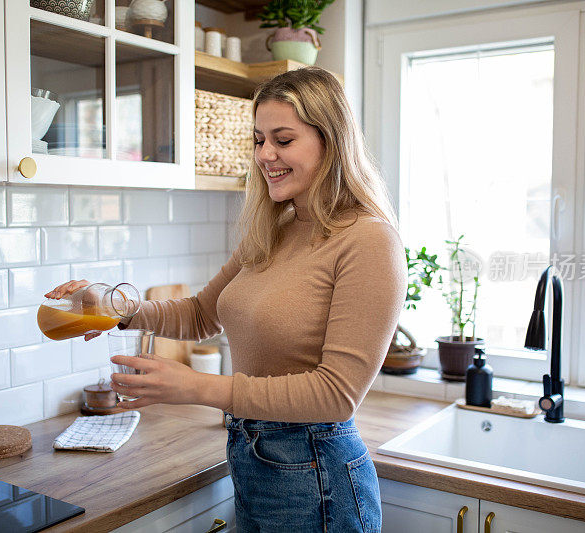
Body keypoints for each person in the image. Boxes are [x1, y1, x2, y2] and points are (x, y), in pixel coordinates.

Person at [46, 67, 406, 532]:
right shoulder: (274, 229)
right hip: (253, 458)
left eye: (283, 139)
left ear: (331, 142)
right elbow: (200, 314)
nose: (266, 155)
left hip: (318, 476)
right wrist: (115, 308)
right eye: (259, 140)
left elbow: (336, 394)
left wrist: (197, 389)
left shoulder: (368, 240)